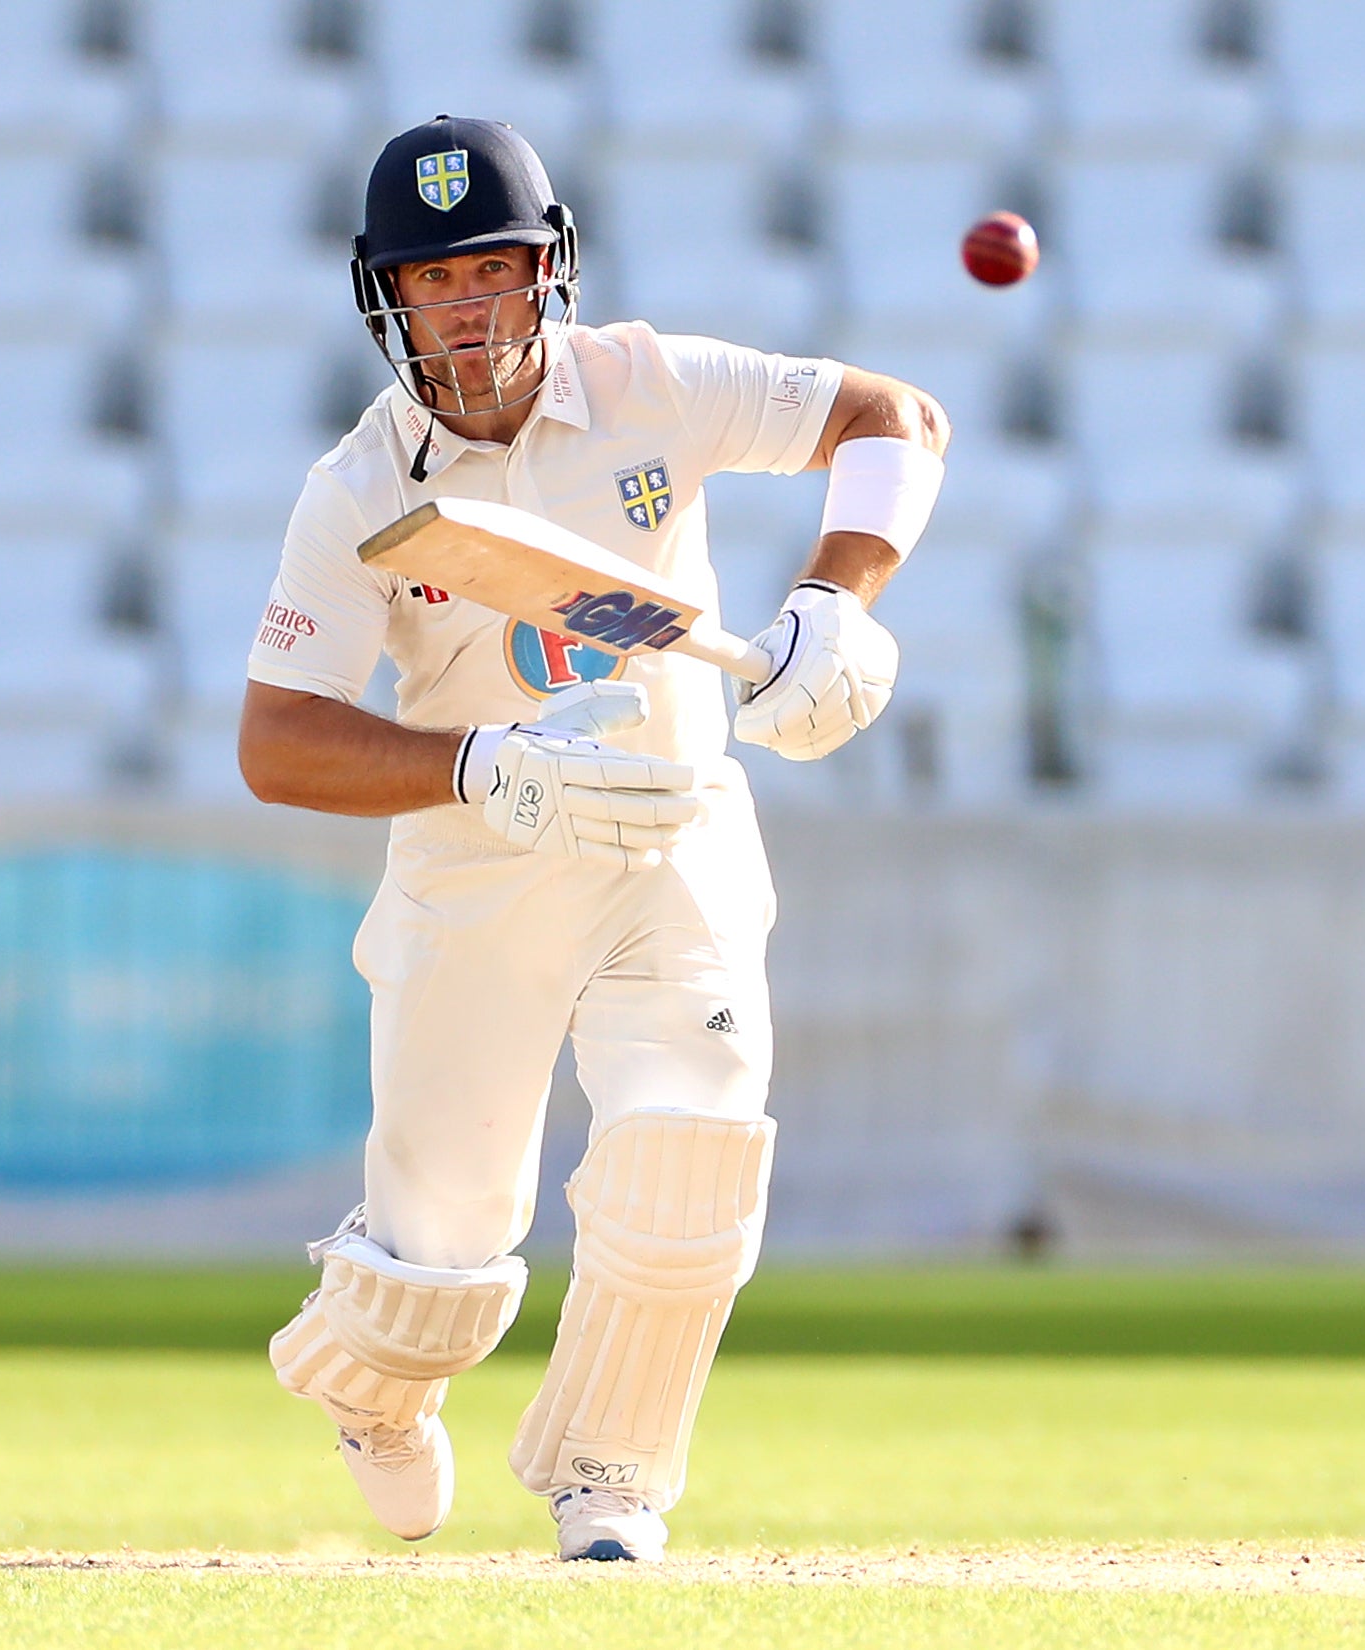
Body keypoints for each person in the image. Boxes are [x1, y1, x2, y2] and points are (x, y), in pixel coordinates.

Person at [240, 115, 948, 1562]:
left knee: (691, 1143)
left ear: (548, 270)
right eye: (437, 282)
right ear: (387, 297)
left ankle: (608, 1476)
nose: (472, 312)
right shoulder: (360, 488)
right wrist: (474, 762)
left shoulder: (647, 385)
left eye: (494, 271)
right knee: (440, 1245)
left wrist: (836, 599)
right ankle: (372, 1388)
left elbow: (894, 417)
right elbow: (277, 742)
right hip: (480, 860)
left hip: (669, 835)